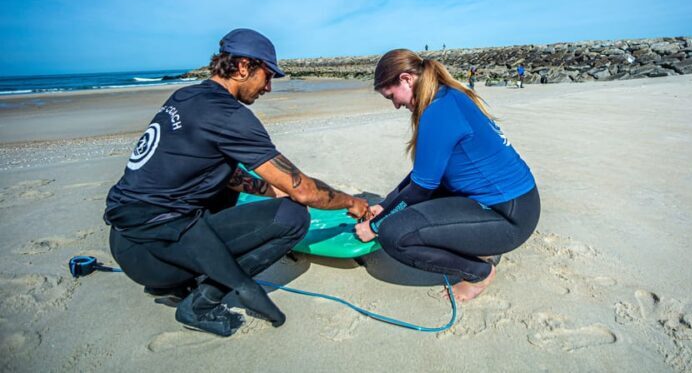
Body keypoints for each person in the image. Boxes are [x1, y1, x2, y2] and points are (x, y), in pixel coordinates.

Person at [104, 28, 369, 337]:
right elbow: (305, 191)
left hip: (126, 243)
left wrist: (280, 189)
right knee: (292, 217)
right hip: (156, 255)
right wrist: (352, 202)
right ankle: (201, 303)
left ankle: (179, 284)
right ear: (244, 67)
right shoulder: (229, 115)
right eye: (267, 76)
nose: (268, 87)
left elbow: (227, 177)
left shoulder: (186, 97)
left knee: (226, 191)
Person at [355, 49, 540, 302]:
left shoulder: (438, 110)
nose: (396, 105)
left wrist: (376, 226)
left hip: (509, 217)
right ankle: (481, 247)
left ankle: (479, 273)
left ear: (407, 79)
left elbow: (420, 189)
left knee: (394, 235)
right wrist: (385, 206)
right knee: (401, 212)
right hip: (514, 203)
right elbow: (422, 175)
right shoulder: (447, 96)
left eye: (392, 96)